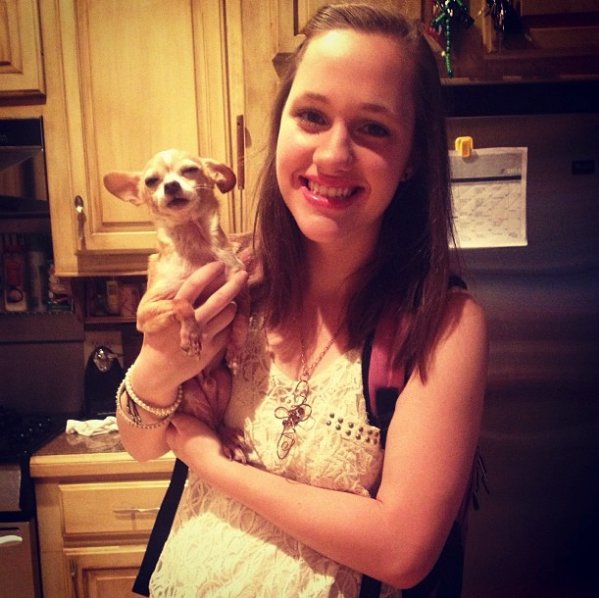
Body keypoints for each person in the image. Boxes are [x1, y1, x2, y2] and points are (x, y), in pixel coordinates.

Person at [116, 3, 488, 596]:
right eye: (312, 116)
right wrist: (159, 365)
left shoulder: (442, 323)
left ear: (413, 154)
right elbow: (138, 444)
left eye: (373, 128)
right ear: (281, 127)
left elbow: (402, 552)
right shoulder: (230, 279)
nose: (334, 154)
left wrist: (210, 461)